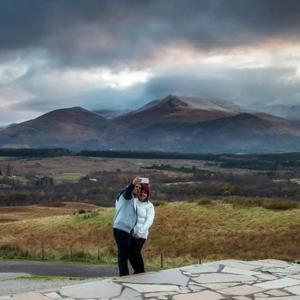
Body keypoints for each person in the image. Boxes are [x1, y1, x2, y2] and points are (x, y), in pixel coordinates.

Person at [113, 177, 142, 276]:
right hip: (121, 229)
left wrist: (133, 232)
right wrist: (132, 184)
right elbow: (128, 191)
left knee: (126, 253)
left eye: (139, 188)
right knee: (123, 254)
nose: (137, 188)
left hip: (125, 230)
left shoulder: (132, 200)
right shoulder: (126, 196)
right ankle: (124, 275)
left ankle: (133, 272)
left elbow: (131, 217)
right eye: (136, 187)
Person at [129, 183, 155, 274]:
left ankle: (141, 271)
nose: (143, 194)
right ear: (138, 192)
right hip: (131, 232)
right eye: (141, 191)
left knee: (136, 252)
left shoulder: (149, 206)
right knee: (129, 253)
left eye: (145, 192)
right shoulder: (134, 201)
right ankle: (137, 270)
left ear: (147, 194)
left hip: (141, 234)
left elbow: (149, 221)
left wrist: (140, 233)